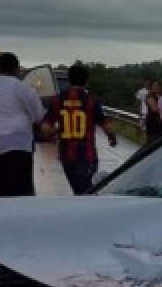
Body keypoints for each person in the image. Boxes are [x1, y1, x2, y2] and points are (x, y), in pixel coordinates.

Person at [42, 63, 117, 195]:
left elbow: (45, 128)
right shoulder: (92, 101)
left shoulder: (56, 100)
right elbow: (106, 126)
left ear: (69, 80)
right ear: (86, 81)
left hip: (66, 156)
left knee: (76, 190)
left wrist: (57, 132)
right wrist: (112, 137)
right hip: (87, 156)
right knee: (87, 191)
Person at [0, 53, 46, 197]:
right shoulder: (22, 88)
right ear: (16, 68)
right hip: (18, 146)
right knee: (20, 190)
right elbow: (38, 116)